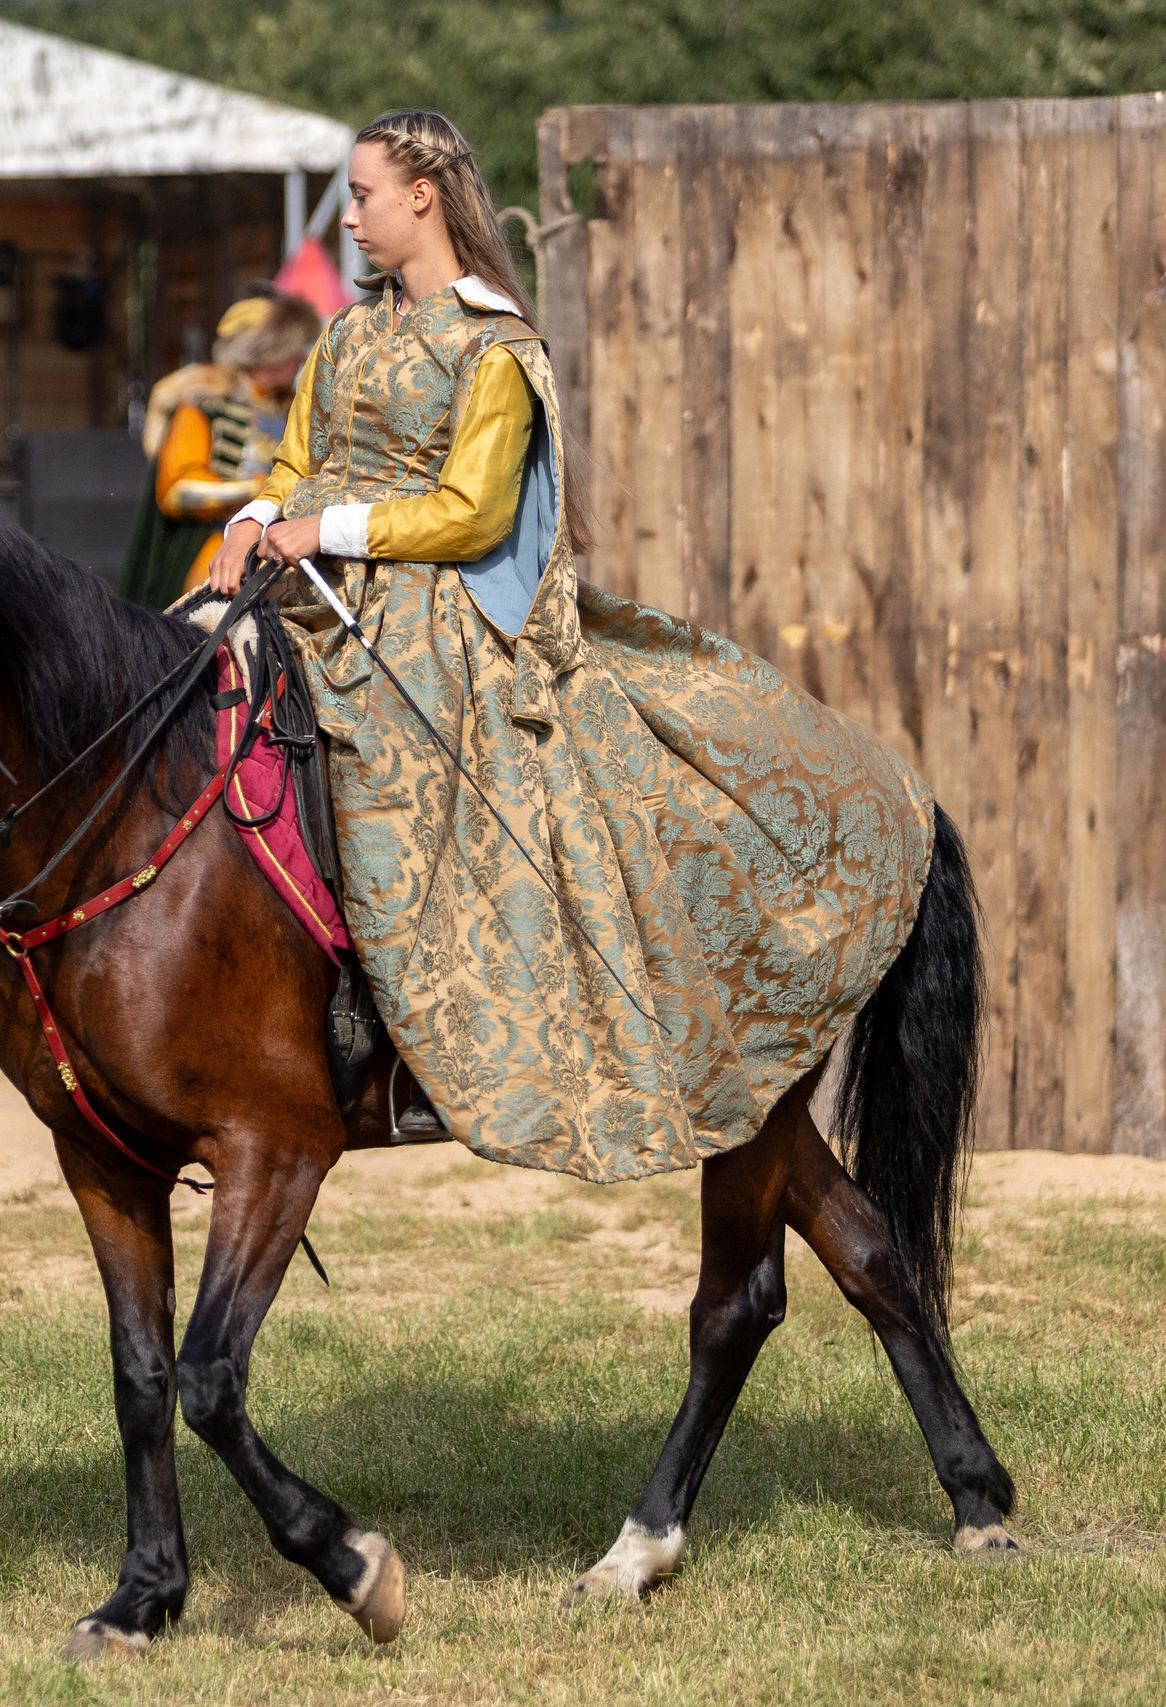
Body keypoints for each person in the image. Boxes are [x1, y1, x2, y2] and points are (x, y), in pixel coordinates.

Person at [207, 111, 938, 1182]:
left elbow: (470, 513)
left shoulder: (493, 344)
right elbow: (294, 461)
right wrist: (248, 517)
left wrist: (323, 528)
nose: (351, 215)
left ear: (422, 196)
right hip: (297, 594)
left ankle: (409, 1043)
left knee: (398, 778)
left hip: (431, 621)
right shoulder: (345, 335)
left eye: (364, 195)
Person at [119, 291, 320, 608]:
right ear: (269, 349)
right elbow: (176, 492)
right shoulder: (203, 406)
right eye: (292, 348)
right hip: (213, 547)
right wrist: (255, 490)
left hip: (284, 548)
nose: (299, 358)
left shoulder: (293, 407)